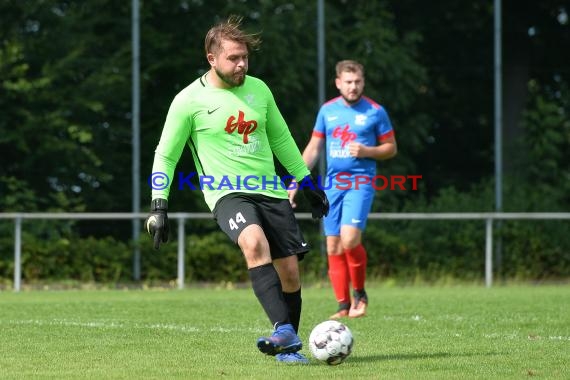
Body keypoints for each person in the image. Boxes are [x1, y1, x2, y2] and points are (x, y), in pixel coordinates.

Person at [144, 16, 328, 364]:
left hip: (270, 190)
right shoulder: (188, 101)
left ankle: (287, 343)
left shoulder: (259, 89)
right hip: (226, 192)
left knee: (289, 271)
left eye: (245, 57)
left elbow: (281, 139)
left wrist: (307, 182)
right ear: (212, 58)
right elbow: (165, 155)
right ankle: (284, 330)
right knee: (253, 241)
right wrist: (159, 204)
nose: (241, 64)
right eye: (233, 58)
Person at [289, 60, 397, 319]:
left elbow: (391, 148)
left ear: (363, 81)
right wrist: (296, 182)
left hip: (360, 183)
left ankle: (360, 293)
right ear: (338, 83)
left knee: (349, 239)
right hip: (332, 186)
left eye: (358, 81)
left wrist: (368, 151)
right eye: (348, 82)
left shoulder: (375, 111)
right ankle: (343, 305)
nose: (353, 86)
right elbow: (313, 149)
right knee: (333, 246)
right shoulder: (327, 111)